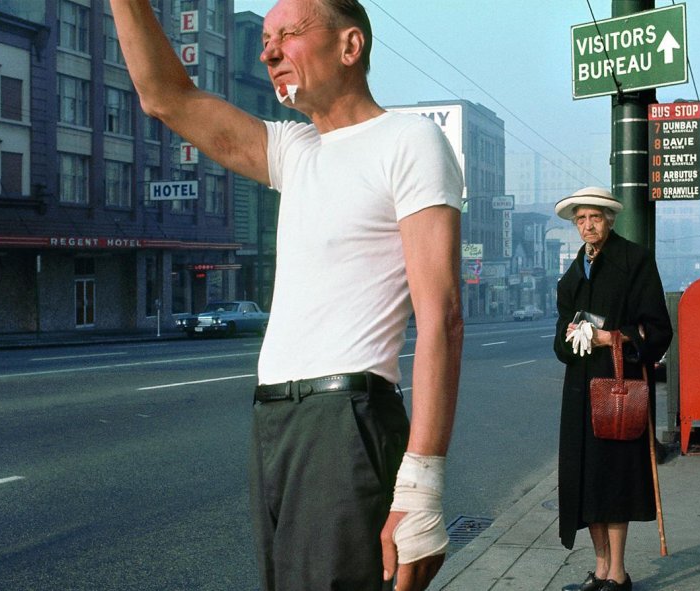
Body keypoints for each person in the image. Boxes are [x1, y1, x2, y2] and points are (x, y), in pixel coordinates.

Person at [110, 2, 465, 590]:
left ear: (350, 47)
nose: (267, 51)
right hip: (274, 420)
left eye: (288, 35)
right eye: (266, 38)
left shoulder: (410, 140)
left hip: (345, 420)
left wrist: (421, 487)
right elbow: (164, 97)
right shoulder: (294, 151)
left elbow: (443, 318)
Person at [552, 187, 672, 591]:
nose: (588, 226)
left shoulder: (634, 260)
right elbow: (559, 344)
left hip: (617, 390)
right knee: (586, 480)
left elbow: (658, 330)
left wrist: (611, 338)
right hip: (579, 393)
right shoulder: (573, 274)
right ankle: (600, 569)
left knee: (614, 479)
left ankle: (618, 573)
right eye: (581, 220)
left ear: (610, 219)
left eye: (595, 218)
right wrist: (573, 336)